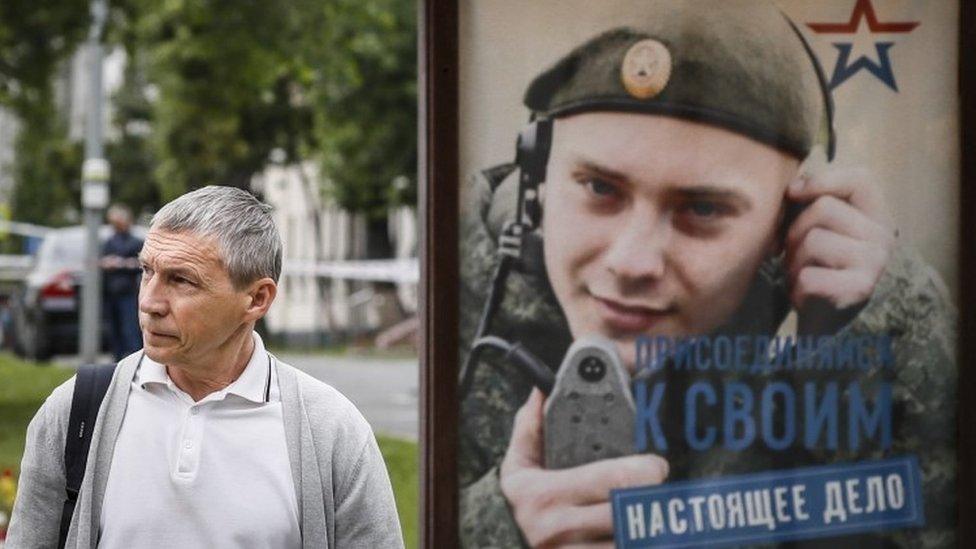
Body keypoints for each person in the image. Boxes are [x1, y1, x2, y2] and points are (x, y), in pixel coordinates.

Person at [458, 1, 955, 547]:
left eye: (702, 210)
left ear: (787, 222)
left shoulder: (851, 333)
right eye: (600, 189)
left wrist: (891, 324)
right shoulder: (447, 299)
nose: (631, 262)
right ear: (539, 174)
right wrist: (502, 529)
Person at [8, 186, 404, 548]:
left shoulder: (330, 431)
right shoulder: (78, 412)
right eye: (147, 271)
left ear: (256, 299)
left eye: (181, 280)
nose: (150, 301)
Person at [100, 204, 144, 362]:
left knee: (130, 329)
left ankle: (135, 361)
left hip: (128, 292)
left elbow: (142, 264)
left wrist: (121, 263)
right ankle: (117, 361)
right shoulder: (109, 242)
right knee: (114, 330)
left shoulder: (136, 242)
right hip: (111, 293)